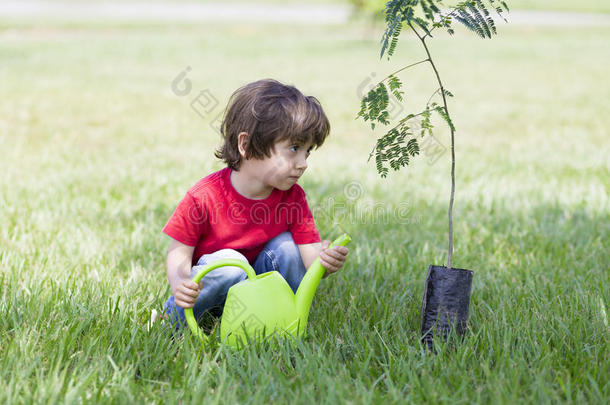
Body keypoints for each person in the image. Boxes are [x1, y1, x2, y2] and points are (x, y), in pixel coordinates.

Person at [160, 78, 349, 330]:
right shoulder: (204, 196)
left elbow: (308, 257)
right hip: (212, 290)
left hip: (258, 295)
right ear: (246, 145)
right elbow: (179, 251)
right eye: (293, 148)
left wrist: (325, 261)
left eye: (307, 152)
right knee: (230, 263)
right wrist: (181, 282)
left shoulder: (293, 198)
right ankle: (171, 318)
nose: (303, 163)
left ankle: (282, 320)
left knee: (288, 248)